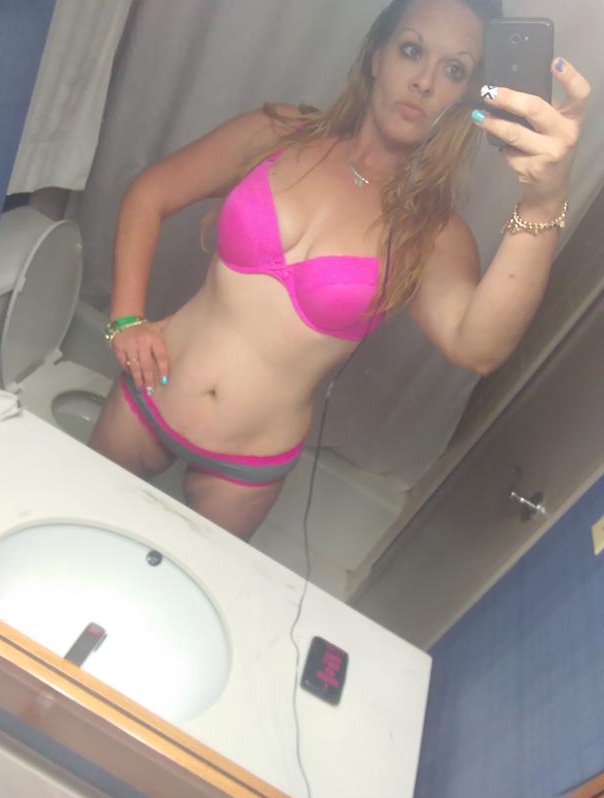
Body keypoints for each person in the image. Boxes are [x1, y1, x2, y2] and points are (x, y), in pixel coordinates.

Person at [89, 0, 590, 540]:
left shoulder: (433, 233)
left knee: (185, 585)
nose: (423, 81)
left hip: (244, 469)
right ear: (377, 56)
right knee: (73, 531)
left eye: (453, 70)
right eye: (411, 50)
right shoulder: (281, 132)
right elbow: (151, 193)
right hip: (148, 398)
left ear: (468, 95)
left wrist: (543, 203)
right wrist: (126, 319)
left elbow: (480, 348)